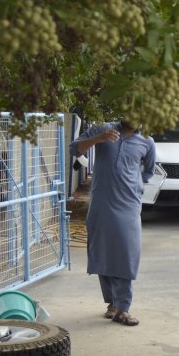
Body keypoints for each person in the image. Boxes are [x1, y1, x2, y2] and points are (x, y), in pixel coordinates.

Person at [71, 119, 155, 326]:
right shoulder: (102, 129)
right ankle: (112, 304)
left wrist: (131, 185)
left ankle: (123, 308)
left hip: (128, 205)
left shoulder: (147, 141)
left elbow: (148, 172)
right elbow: (75, 148)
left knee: (126, 253)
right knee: (103, 251)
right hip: (101, 202)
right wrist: (99, 139)